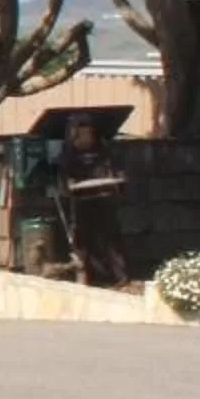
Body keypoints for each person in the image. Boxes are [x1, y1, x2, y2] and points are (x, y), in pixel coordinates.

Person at [57, 114, 126, 285]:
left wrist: (116, 180)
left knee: (110, 239)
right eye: (82, 135)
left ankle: (118, 276)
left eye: (89, 134)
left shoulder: (102, 151)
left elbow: (113, 171)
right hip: (81, 203)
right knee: (86, 241)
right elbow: (65, 182)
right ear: (74, 136)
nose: (86, 138)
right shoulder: (68, 155)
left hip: (104, 199)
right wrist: (70, 185)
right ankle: (94, 277)